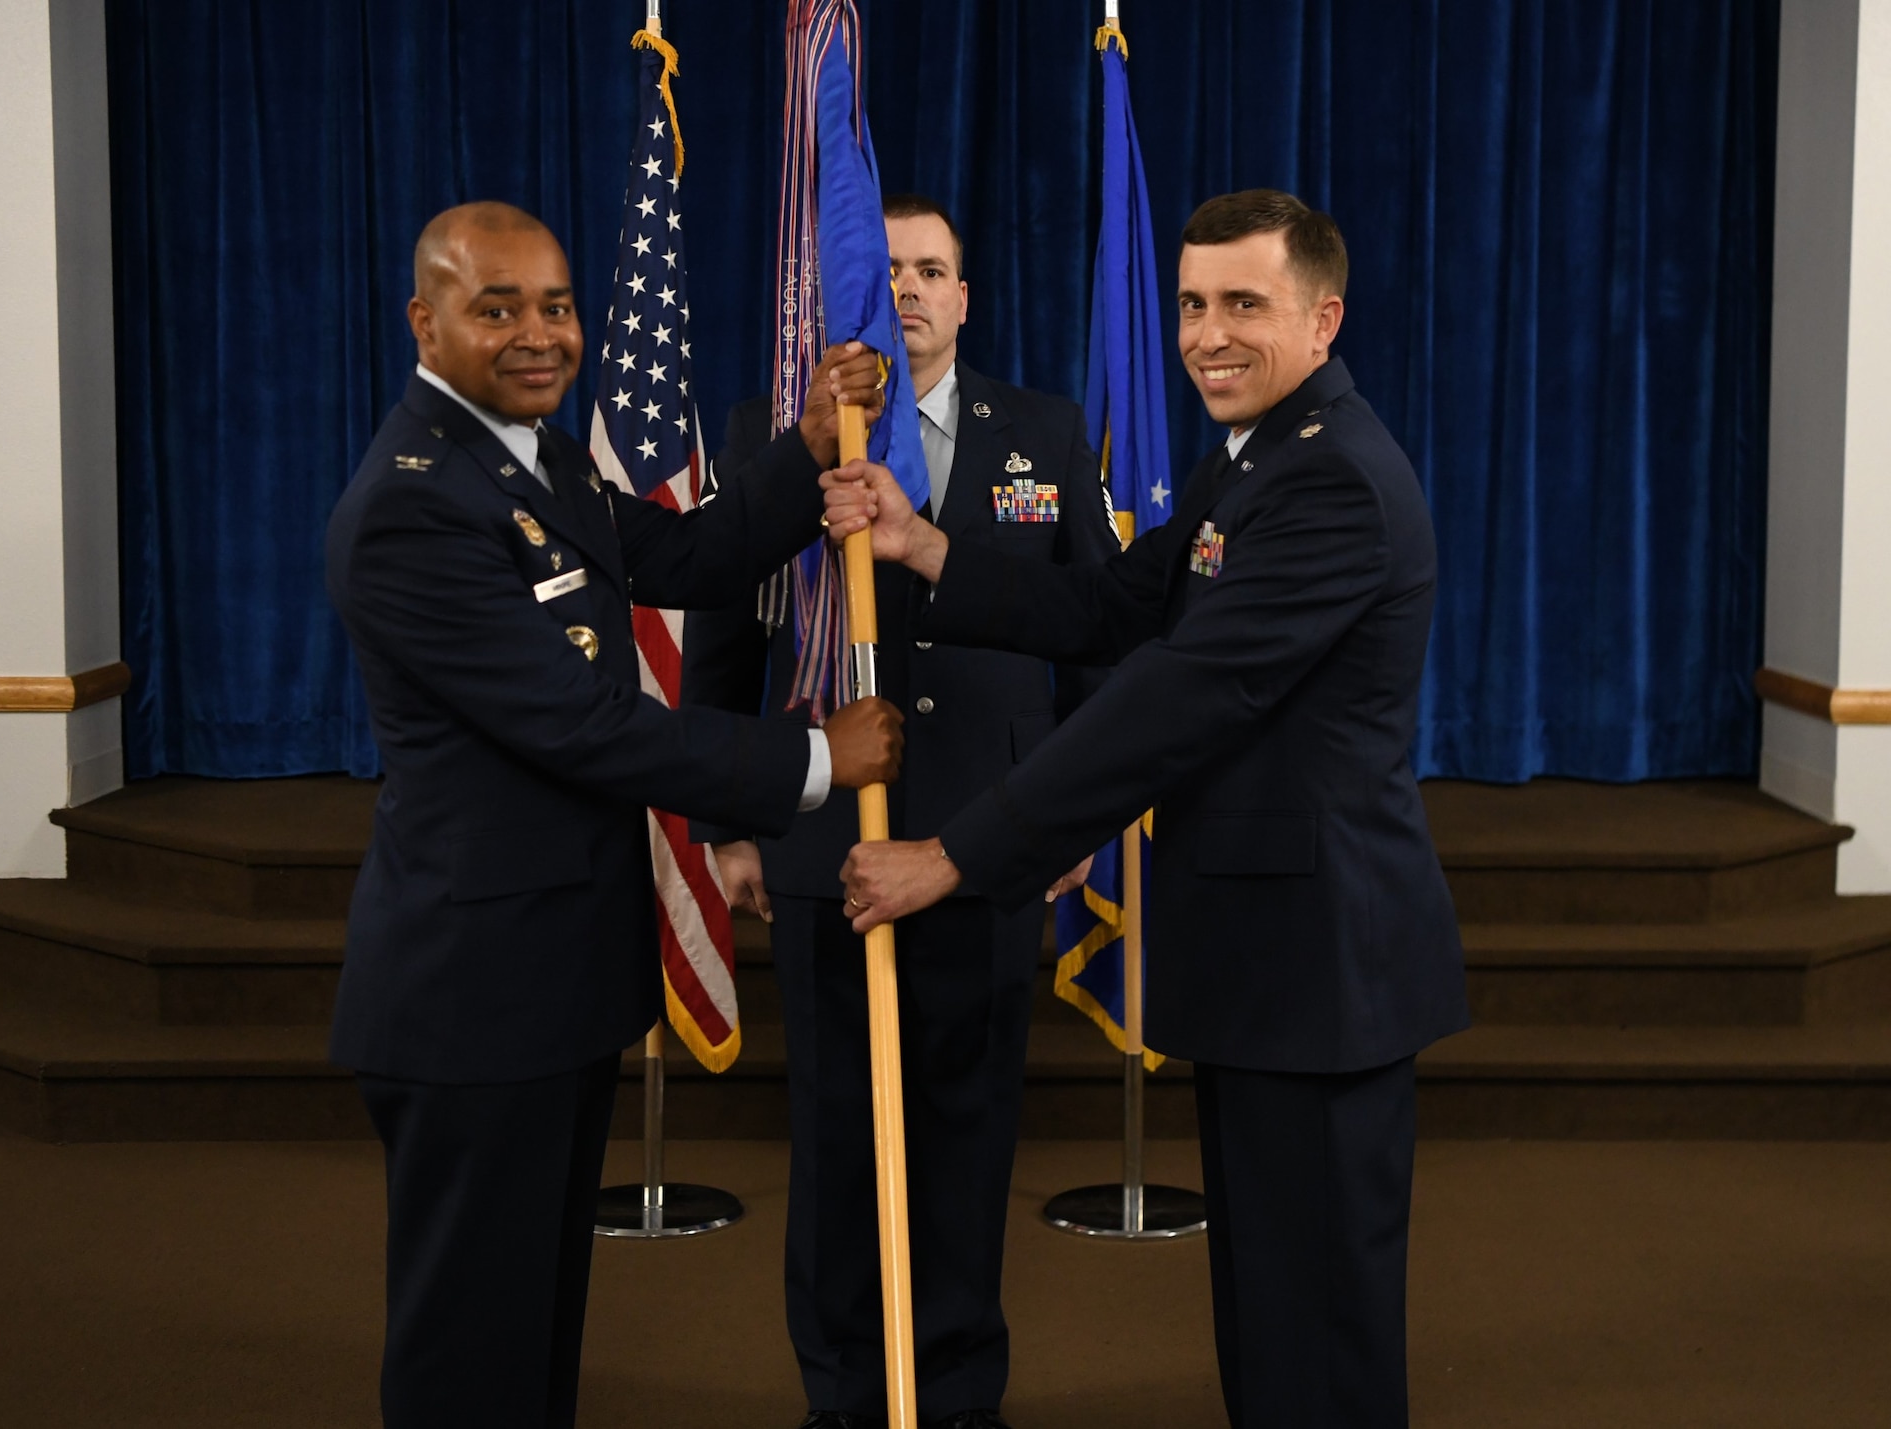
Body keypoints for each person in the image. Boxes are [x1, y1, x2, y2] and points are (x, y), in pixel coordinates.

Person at [827, 189, 1470, 1429]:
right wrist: (925, 549)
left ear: (1323, 318)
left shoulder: (1327, 483)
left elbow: (1177, 695)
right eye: (1190, 302)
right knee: (1273, 1311)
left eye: (1244, 303)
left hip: (1319, 968)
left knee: (1317, 1329)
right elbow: (1112, 604)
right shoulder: (1262, 460)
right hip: (1272, 963)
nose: (1207, 333)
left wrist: (958, 853)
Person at [324, 201, 903, 1429]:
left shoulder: (534, 458)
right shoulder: (417, 503)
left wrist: (802, 450)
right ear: (423, 322)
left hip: (551, 979)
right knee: (466, 1346)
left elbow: (688, 562)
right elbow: (583, 726)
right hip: (470, 996)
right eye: (498, 309)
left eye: (557, 306)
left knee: (531, 1323)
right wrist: (812, 759)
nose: (541, 336)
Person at [681, 194, 1118, 1429]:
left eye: (933, 270)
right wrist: (727, 825)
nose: (911, 291)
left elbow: (1093, 648)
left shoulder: (1041, 428)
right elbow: (721, 645)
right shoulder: (774, 436)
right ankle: (841, 1394)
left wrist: (1070, 822)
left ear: (964, 297)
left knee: (969, 1140)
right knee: (831, 1146)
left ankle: (958, 1392)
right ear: (845, 298)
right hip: (825, 844)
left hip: (991, 843)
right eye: (889, 272)